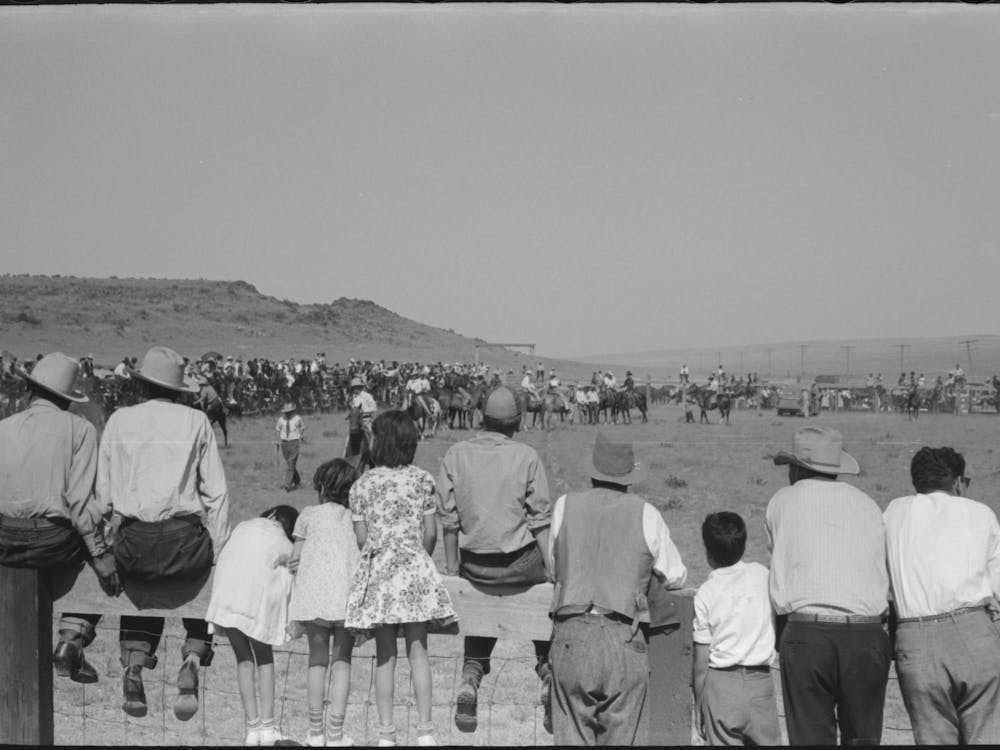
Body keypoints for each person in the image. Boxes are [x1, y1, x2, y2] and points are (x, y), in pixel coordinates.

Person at [98, 345, 230, 720]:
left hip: (133, 541)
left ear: (142, 386)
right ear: (179, 389)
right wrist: (218, 550)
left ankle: (135, 664)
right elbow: (216, 494)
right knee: (198, 578)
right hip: (185, 541)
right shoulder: (197, 422)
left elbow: (103, 494)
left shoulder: (119, 420)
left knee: (143, 586)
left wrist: (106, 546)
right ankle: (192, 655)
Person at [547, 431, 687, 745]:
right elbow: (676, 576)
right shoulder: (647, 514)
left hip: (571, 633)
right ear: (630, 477)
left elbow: (554, 569)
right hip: (624, 636)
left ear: (593, 471)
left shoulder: (564, 506)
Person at [436, 386, 553, 734]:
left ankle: (471, 675)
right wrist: (551, 571)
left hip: (473, 565)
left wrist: (456, 571)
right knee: (543, 603)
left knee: (482, 605)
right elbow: (540, 520)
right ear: (516, 423)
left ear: (480, 418)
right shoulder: (527, 456)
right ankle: (547, 672)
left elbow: (449, 521)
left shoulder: (456, 454)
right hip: (522, 564)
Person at [0, 352, 120, 684]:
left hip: (5, 539)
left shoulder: (3, 428)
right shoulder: (79, 429)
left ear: (28, 390)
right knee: (104, 553)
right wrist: (99, 554)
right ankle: (72, 637)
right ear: (67, 401)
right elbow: (81, 503)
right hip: (52, 541)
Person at [765, 426, 890, 745]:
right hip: (867, 633)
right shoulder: (868, 504)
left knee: (809, 738)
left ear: (797, 468)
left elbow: (778, 571)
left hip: (807, 633)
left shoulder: (782, 501)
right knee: (863, 738)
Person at [346, 411, 456, 747]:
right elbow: (432, 532)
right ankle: (425, 732)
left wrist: (384, 552)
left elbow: (362, 539)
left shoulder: (362, 484)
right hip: (414, 570)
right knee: (418, 651)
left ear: (380, 441)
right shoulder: (422, 479)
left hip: (380, 573)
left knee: (385, 656)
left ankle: (386, 735)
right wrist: (416, 556)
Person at [884, 447, 1000, 744]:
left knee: (932, 735)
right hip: (973, 631)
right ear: (958, 482)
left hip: (915, 637)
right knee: (986, 731)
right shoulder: (980, 513)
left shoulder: (894, 512)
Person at [206, 505, 298, 746]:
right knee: (264, 659)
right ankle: (268, 728)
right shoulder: (282, 539)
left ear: (271, 514)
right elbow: (296, 559)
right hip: (256, 602)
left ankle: (252, 728)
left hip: (227, 597)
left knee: (243, 661)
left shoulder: (243, 527)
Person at [289, 458, 362, 748]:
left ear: (321, 486)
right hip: (346, 600)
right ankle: (335, 734)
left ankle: (315, 732)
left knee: (317, 662)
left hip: (315, 600)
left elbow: (295, 559)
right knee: (342, 663)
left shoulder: (307, 515)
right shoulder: (355, 517)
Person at [692, 512, 780, 746]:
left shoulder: (706, 593)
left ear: (708, 552)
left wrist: (699, 704)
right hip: (760, 683)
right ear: (743, 545)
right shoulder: (762, 575)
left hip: (721, 687)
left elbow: (701, 663)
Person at [275, 403, 305, 492]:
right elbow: (277, 429)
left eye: (289, 412)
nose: (287, 413)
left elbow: (302, 427)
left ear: (292, 411)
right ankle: (297, 481)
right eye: (286, 412)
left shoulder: (297, 418)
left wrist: (301, 435)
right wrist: (278, 440)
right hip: (284, 443)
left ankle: (287, 485)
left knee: (291, 464)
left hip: (294, 442)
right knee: (290, 464)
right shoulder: (281, 419)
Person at [348, 377, 377, 451]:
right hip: (356, 421)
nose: (354, 390)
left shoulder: (367, 396)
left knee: (372, 434)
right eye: (353, 388)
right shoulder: (354, 398)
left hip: (367, 420)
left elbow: (374, 407)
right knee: (349, 436)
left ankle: (372, 451)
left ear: (359, 387)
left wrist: (364, 411)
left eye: (355, 387)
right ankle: (346, 452)